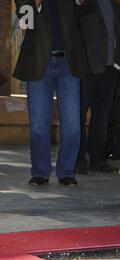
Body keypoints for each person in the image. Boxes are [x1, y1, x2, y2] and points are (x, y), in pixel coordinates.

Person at [13, 0, 90, 186]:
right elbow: (24, 19)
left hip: (68, 63)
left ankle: (66, 172)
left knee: (72, 125)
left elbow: (87, 12)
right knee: (39, 124)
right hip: (38, 62)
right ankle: (40, 171)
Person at [75, 0, 120, 174]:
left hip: (111, 68)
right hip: (88, 67)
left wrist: (118, 63)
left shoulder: (114, 4)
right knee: (79, 113)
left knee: (102, 115)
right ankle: (78, 159)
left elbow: (118, 33)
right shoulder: (82, 2)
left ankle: (97, 159)